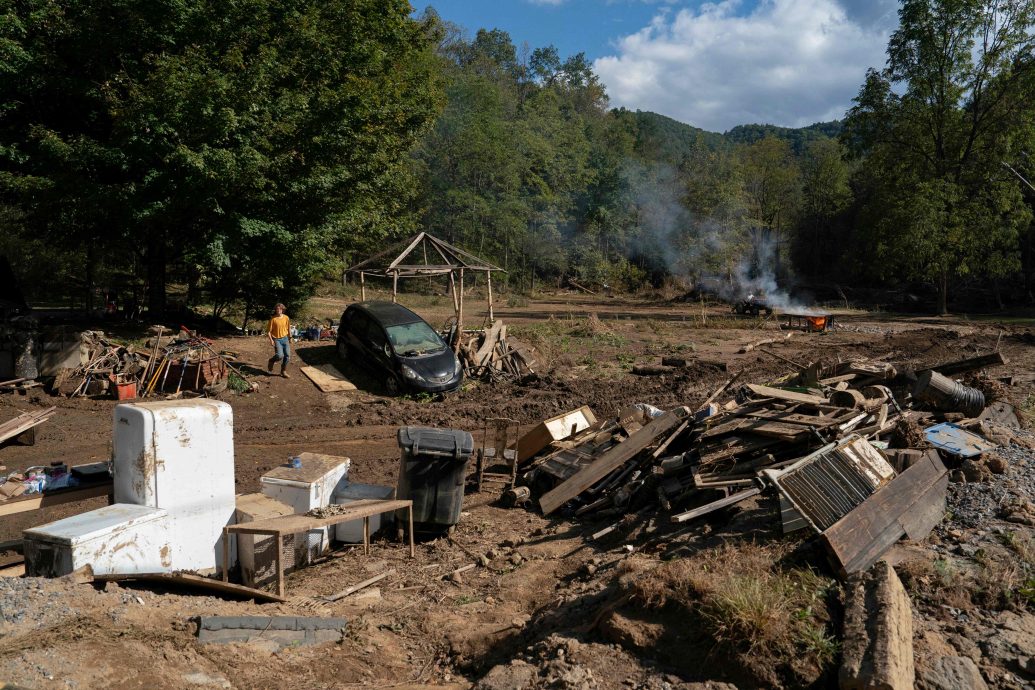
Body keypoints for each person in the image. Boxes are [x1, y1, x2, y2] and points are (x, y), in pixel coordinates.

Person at [266, 303, 291, 378]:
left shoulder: (286, 318)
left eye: (280, 309)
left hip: (285, 338)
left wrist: (290, 337)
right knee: (280, 355)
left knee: (287, 356)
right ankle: (271, 361)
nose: (278, 310)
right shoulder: (273, 319)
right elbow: (268, 331)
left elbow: (288, 328)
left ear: (282, 309)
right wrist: (271, 340)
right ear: (275, 310)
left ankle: (283, 371)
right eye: (277, 309)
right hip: (277, 339)